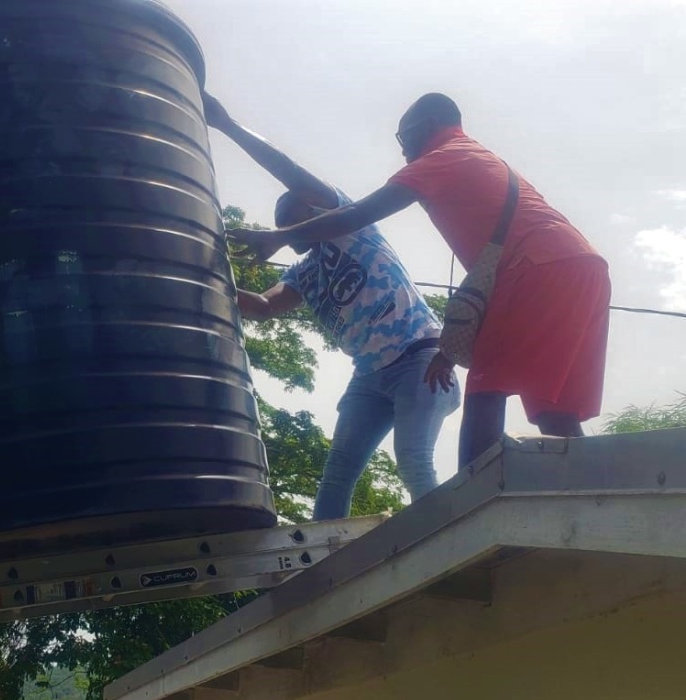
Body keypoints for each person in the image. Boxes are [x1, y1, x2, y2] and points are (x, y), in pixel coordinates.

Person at [229, 93, 610, 469]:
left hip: (533, 268)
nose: (402, 151)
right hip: (580, 266)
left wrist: (275, 235)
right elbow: (488, 281)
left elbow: (358, 213)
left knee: (485, 391)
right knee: (553, 411)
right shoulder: (474, 157)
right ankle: (589, 498)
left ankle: (473, 508)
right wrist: (449, 350)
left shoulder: (444, 156)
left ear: (426, 127)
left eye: (402, 138)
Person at [204, 93, 458, 521]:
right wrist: (202, 274)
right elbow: (264, 306)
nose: (287, 225)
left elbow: (290, 174)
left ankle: (448, 541)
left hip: (420, 357)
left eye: (293, 213)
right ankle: (324, 563)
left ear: (318, 207)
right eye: (281, 221)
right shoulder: (304, 272)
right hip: (370, 376)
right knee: (337, 473)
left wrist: (228, 126)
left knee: (413, 460)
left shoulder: (350, 228)